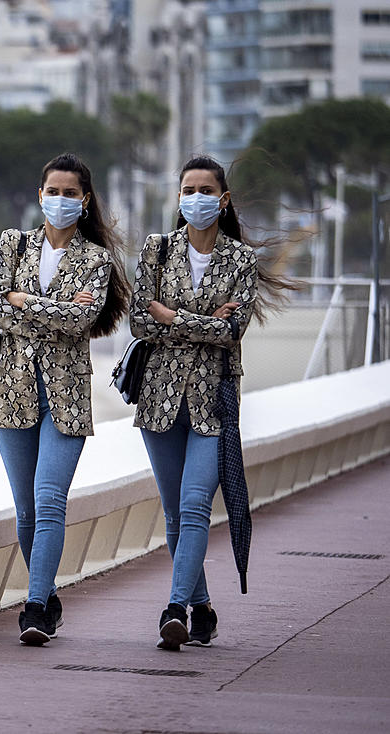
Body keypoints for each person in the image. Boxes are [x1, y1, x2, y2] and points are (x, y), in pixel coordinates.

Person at [131, 155, 295, 651]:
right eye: (188, 189)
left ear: (222, 200)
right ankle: (201, 606)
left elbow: (233, 330)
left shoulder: (241, 260)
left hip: (214, 402)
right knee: (176, 514)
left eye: (206, 190)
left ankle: (175, 607)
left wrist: (173, 315)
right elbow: (141, 322)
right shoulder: (156, 251)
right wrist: (200, 321)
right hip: (158, 399)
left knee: (196, 503)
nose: (195, 198)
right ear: (178, 197)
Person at [0, 153, 130, 645]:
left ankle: (35, 606)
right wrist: (52, 309)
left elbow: (78, 323)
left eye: (71, 193)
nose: (61, 200)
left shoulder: (95, 259)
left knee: (50, 502)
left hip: (67, 399)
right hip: (11, 394)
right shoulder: (13, 243)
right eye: (54, 191)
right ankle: (47, 594)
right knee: (25, 510)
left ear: (84, 200)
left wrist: (24, 302)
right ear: (39, 194)